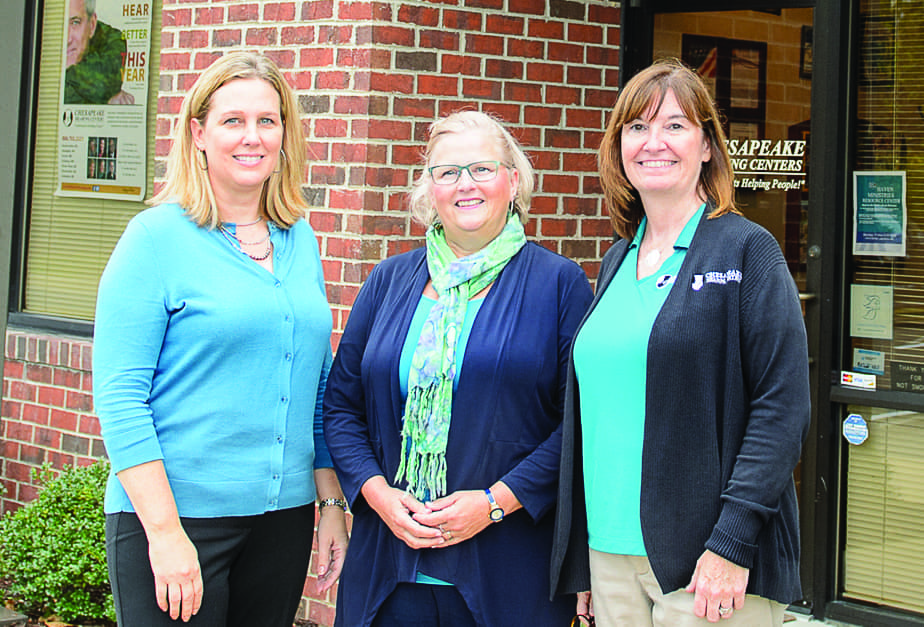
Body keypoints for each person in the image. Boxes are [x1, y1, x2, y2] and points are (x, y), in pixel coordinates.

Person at [550, 59, 811, 626]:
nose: (654, 143)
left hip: (707, 562)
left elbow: (781, 408)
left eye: (674, 125)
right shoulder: (618, 257)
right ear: (619, 147)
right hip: (610, 551)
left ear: (708, 146)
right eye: (636, 128)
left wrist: (733, 543)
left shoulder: (748, 251)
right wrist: (583, 562)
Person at [93, 51, 348, 626]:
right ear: (199, 132)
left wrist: (331, 502)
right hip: (177, 521)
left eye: (267, 120)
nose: (251, 137)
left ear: (285, 134)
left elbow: (316, 387)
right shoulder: (154, 239)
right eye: (233, 120)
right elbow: (120, 399)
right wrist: (165, 534)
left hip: (282, 521)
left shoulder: (299, 238)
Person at [324, 110, 593, 627]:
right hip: (389, 566)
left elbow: (577, 426)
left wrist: (494, 503)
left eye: (482, 169)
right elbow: (342, 406)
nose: (464, 185)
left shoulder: (559, 285)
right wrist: (377, 495)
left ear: (513, 181)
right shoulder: (388, 281)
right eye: (447, 172)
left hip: (508, 570)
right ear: (429, 191)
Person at [64, 0, 134, 105]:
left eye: (75, 22)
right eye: (61, 24)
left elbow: (104, 86)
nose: (67, 39)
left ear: (92, 25)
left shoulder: (110, 38)